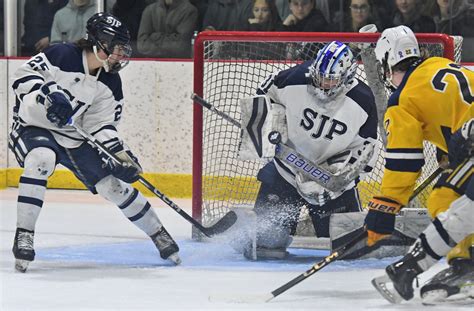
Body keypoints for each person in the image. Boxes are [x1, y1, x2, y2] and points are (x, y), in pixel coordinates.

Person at [9, 12, 181, 273]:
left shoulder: (110, 82)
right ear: (99, 43)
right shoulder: (61, 55)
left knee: (113, 186)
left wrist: (120, 156)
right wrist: (49, 94)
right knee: (40, 160)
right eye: (116, 49)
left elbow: (101, 126)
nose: (119, 55)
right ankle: (24, 235)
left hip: (74, 137)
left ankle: (159, 233)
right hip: (34, 127)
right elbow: (22, 77)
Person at [239, 41, 378, 260]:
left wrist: (336, 176)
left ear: (347, 77)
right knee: (265, 245)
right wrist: (272, 124)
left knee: (351, 250)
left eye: (331, 80)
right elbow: (264, 94)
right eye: (320, 77)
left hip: (329, 184)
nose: (323, 84)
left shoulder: (363, 100)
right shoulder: (296, 77)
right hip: (286, 171)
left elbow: (366, 149)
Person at [365, 25, 474, 304]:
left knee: (445, 199)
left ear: (387, 62)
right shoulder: (441, 64)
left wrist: (385, 206)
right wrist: (449, 153)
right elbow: (451, 110)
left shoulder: (401, 99)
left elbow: (405, 160)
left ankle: (467, 266)